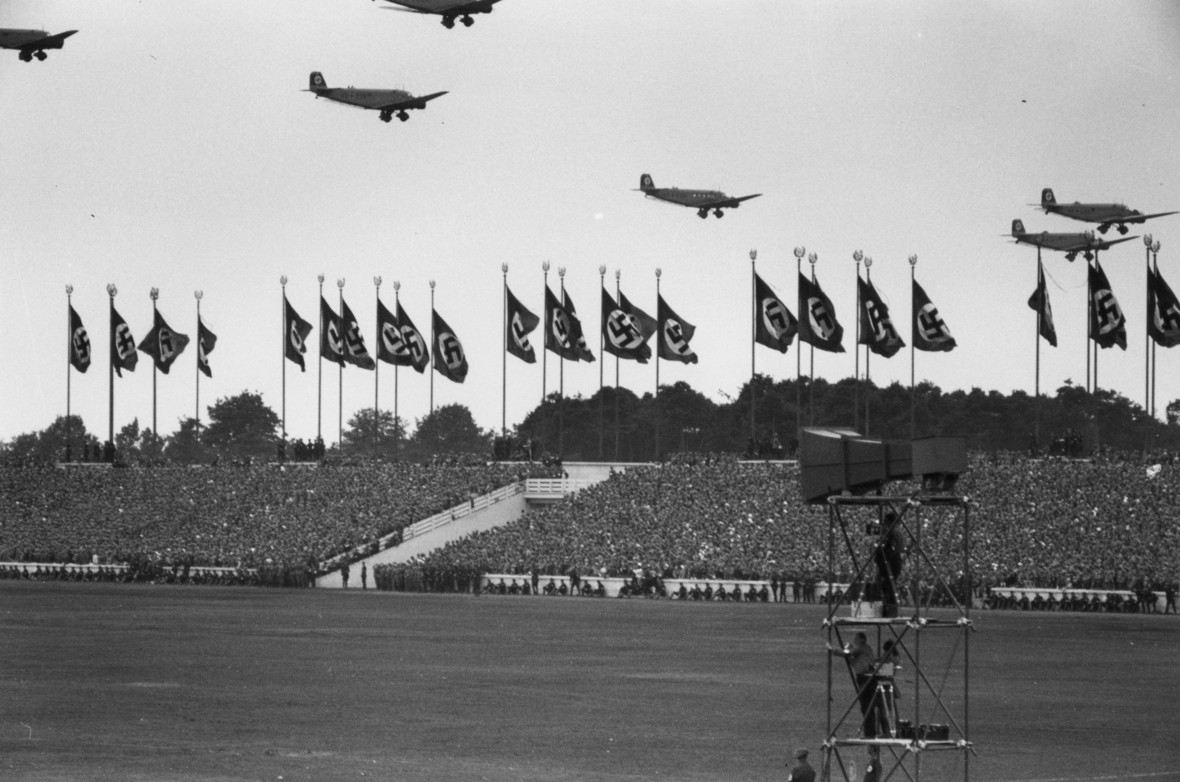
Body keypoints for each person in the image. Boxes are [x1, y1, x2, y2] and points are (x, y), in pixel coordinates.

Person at [828, 632, 880, 738]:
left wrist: (832, 649)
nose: (854, 640)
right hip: (864, 678)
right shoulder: (863, 650)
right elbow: (854, 662)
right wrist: (848, 651)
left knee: (866, 706)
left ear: (862, 639)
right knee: (866, 707)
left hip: (866, 678)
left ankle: (870, 734)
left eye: (856, 638)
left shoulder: (861, 648)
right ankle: (870, 733)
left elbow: (847, 653)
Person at [874, 512, 905, 618]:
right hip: (897, 559)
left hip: (891, 560)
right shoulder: (899, 531)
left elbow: (891, 549)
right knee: (891, 585)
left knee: (887, 585)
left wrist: (880, 551)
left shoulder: (892, 532)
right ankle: (892, 610)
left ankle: (888, 609)